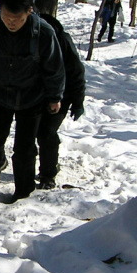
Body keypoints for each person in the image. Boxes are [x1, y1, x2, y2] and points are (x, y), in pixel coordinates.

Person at [0, 0, 65, 203]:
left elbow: (54, 68)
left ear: (29, 12)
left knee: (25, 148)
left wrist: (55, 97)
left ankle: (23, 193)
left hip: (32, 98)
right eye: (6, 17)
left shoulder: (43, 32)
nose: (11, 22)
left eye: (18, 18)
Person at [36, 13, 86, 189]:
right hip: (36, 95)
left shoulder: (62, 41)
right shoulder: (31, 39)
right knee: (36, 132)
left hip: (62, 96)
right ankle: (42, 168)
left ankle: (48, 174)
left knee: (47, 133)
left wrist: (78, 102)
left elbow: (77, 72)